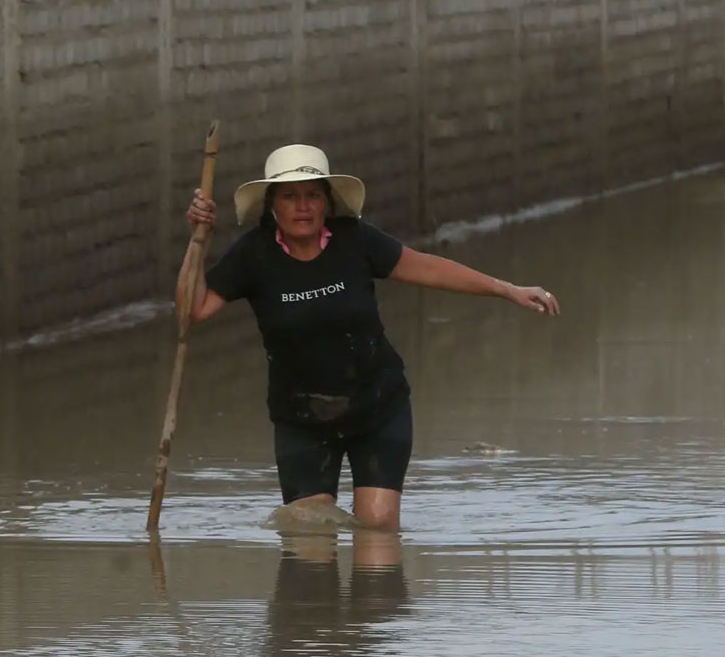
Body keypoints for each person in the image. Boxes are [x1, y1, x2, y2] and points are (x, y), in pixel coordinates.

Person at [181, 144, 560, 531]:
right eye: (290, 196)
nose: (303, 207)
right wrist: (199, 241)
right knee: (309, 536)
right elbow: (191, 310)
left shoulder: (356, 240)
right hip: (302, 418)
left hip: (377, 407)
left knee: (377, 533)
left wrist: (507, 289)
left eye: (313, 195)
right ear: (272, 205)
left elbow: (429, 268)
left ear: (327, 202)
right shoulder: (252, 255)